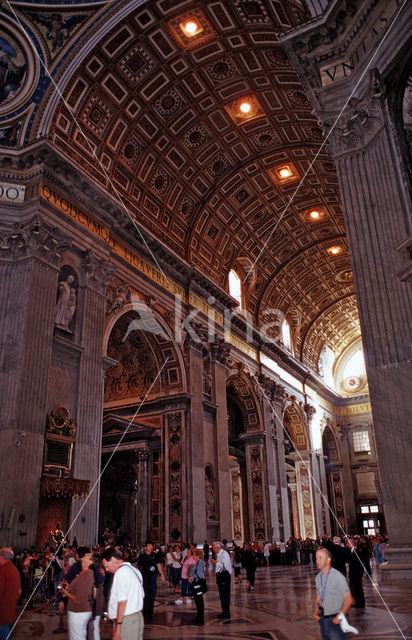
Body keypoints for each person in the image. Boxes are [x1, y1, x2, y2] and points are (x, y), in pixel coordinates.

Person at [102, 547, 144, 640]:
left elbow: (122, 600)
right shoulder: (133, 570)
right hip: (136, 617)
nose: (106, 570)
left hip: (126, 620)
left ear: (113, 559)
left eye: (106, 565)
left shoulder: (120, 573)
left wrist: (118, 625)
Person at [314, 548, 353, 640]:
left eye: (320, 558)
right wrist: (316, 614)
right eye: (316, 558)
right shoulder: (318, 577)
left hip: (335, 620)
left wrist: (339, 617)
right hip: (323, 619)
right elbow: (319, 596)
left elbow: (349, 599)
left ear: (328, 560)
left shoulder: (337, 576)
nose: (317, 561)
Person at [59, 551, 96, 640]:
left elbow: (79, 599)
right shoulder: (84, 573)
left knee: (77, 637)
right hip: (78, 611)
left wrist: (66, 592)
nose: (84, 556)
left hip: (79, 611)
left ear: (90, 562)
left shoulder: (86, 575)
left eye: (87, 556)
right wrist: (69, 588)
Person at [136, 542, 165, 619]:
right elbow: (139, 566)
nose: (151, 547)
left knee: (152, 593)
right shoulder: (142, 556)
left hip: (153, 576)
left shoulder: (155, 555)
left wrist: (162, 574)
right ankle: (145, 611)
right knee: (146, 593)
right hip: (145, 576)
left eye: (151, 546)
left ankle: (150, 611)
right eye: (149, 546)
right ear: (145, 547)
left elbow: (158, 565)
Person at [0, 548, 21, 640]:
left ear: (2, 557)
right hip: (11, 611)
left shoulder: (3, 572)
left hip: (2, 612)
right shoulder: (15, 570)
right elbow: (19, 591)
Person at [212, 541, 232, 619]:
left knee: (225, 595)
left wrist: (215, 563)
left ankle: (226, 613)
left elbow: (225, 566)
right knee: (222, 595)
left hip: (224, 576)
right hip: (220, 576)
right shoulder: (219, 554)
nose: (213, 549)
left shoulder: (224, 554)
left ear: (218, 547)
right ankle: (224, 611)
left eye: (214, 548)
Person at [188, 548, 206, 625]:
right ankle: (198, 616)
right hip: (195, 583)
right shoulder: (197, 562)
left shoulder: (200, 562)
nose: (193, 556)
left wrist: (192, 577)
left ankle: (201, 618)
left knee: (199, 601)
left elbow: (200, 574)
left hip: (198, 583)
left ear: (197, 555)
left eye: (194, 555)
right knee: (197, 600)